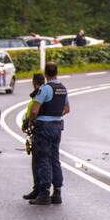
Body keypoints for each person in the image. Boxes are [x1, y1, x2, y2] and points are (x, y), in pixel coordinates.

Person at [28, 62, 69, 205]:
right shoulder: (63, 88)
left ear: (45, 74)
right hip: (57, 126)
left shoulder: (45, 89)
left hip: (44, 127)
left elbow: (34, 110)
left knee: (43, 159)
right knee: (54, 158)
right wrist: (55, 115)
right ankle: (57, 193)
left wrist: (32, 121)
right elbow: (67, 109)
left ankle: (44, 193)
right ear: (57, 72)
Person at [21, 73, 45, 200]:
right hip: (42, 131)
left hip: (38, 132)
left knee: (38, 162)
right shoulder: (43, 93)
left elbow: (34, 112)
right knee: (42, 162)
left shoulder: (39, 95)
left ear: (34, 83)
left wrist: (28, 122)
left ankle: (39, 190)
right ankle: (41, 190)